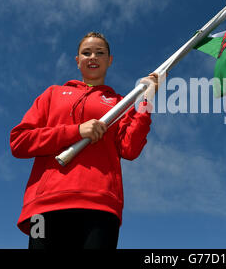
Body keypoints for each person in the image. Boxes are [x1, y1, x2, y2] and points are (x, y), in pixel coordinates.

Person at [10, 32, 161, 249]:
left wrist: (146, 101)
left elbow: (130, 148)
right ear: (77, 60)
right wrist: (76, 131)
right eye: (86, 52)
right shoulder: (52, 94)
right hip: (44, 207)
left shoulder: (121, 104)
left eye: (100, 53)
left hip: (100, 206)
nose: (93, 57)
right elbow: (19, 142)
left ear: (109, 60)